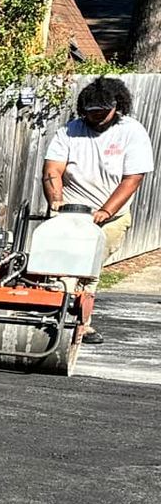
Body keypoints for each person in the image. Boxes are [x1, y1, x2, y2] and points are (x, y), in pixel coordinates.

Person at [43, 76, 153, 342]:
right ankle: (50, 314)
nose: (97, 117)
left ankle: (81, 323)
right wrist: (55, 201)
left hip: (110, 217)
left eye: (103, 112)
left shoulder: (132, 132)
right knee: (55, 266)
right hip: (69, 212)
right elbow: (52, 170)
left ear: (117, 107)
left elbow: (133, 178)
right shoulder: (69, 131)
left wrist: (104, 211)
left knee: (87, 270)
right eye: (91, 113)